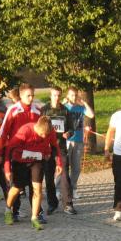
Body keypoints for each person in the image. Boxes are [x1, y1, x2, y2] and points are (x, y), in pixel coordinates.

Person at [3, 116, 62, 230]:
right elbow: (9, 149)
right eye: (42, 134)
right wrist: (7, 169)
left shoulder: (50, 131)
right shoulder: (25, 131)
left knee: (37, 189)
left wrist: (59, 163)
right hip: (20, 161)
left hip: (37, 160)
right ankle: (8, 209)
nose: (44, 136)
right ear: (37, 128)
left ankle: (34, 217)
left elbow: (55, 146)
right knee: (17, 188)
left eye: (46, 135)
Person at [0, 83, 44, 222]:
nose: (31, 98)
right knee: (17, 186)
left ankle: (37, 213)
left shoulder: (38, 111)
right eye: (28, 95)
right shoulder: (13, 110)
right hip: (18, 154)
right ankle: (13, 210)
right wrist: (1, 154)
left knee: (35, 185)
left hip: (35, 154)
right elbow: (3, 133)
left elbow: (44, 131)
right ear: (21, 95)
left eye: (32, 95)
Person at [43, 86, 76, 214]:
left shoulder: (65, 111)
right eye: (54, 95)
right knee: (49, 176)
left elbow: (72, 128)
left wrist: (68, 133)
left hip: (60, 147)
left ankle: (68, 204)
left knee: (64, 175)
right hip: (47, 148)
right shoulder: (44, 110)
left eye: (58, 95)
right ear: (50, 95)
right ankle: (52, 204)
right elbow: (38, 126)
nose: (56, 98)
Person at [63, 86, 95, 199]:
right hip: (67, 140)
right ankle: (59, 190)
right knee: (64, 167)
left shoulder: (80, 108)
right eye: (71, 95)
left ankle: (73, 189)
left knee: (76, 168)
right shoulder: (64, 107)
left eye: (75, 95)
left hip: (78, 140)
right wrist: (64, 103)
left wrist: (84, 103)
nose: (74, 97)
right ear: (67, 96)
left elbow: (91, 115)